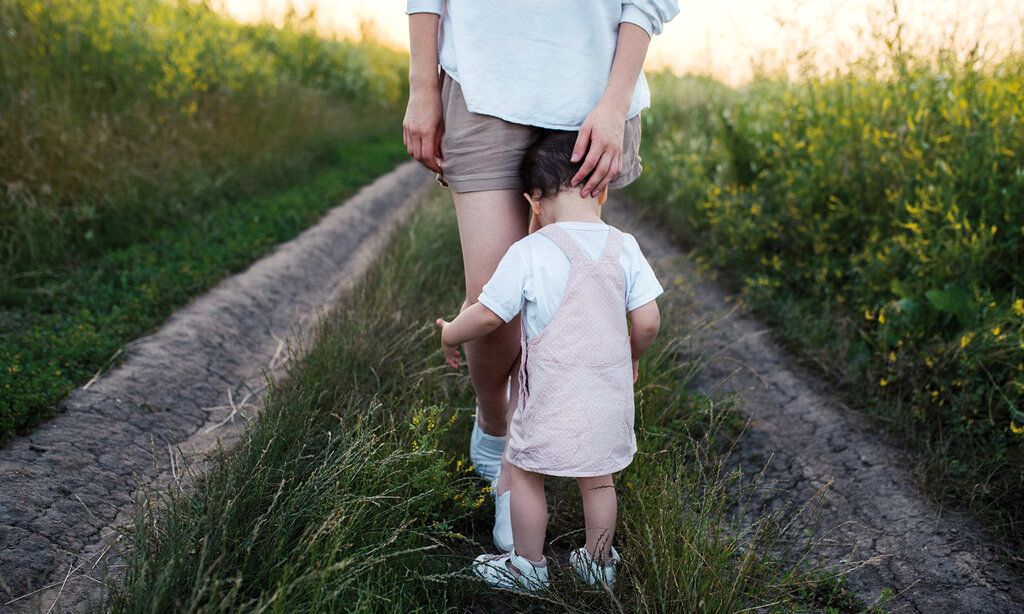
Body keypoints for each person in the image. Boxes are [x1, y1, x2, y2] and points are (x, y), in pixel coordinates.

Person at [405, 0, 679, 555]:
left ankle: (519, 483)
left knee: (566, 297)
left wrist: (615, 100)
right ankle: (496, 425)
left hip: (593, 89)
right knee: (493, 298)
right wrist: (422, 85)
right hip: (481, 79)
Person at [435, 130, 663, 590]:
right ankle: (598, 564)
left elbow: (486, 316)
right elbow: (649, 322)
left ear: (533, 201)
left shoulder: (529, 251)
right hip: (606, 397)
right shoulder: (625, 246)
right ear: (599, 189)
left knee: (522, 472)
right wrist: (632, 356)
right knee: (599, 480)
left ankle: (528, 566)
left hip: (546, 397)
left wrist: (450, 334)